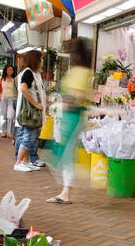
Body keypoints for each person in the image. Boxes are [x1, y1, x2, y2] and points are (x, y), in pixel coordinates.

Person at [47, 41, 93, 205]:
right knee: (66, 154)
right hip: (70, 116)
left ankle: (68, 190)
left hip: (72, 116)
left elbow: (74, 97)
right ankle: (66, 191)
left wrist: (60, 103)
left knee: (67, 154)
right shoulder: (80, 71)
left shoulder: (80, 72)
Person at [13, 49, 46, 173]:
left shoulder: (34, 73)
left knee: (31, 138)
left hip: (35, 114)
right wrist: (36, 104)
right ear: (35, 60)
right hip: (30, 114)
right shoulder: (28, 73)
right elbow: (23, 88)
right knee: (28, 138)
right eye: (41, 59)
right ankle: (18, 163)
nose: (42, 61)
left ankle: (26, 162)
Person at [0, 63, 17, 138]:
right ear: (6, 70)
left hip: (12, 99)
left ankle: (10, 131)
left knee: (11, 116)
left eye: (12, 69)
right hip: (3, 99)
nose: (10, 71)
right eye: (9, 69)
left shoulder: (15, 79)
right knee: (3, 115)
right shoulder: (1, 78)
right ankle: (3, 131)